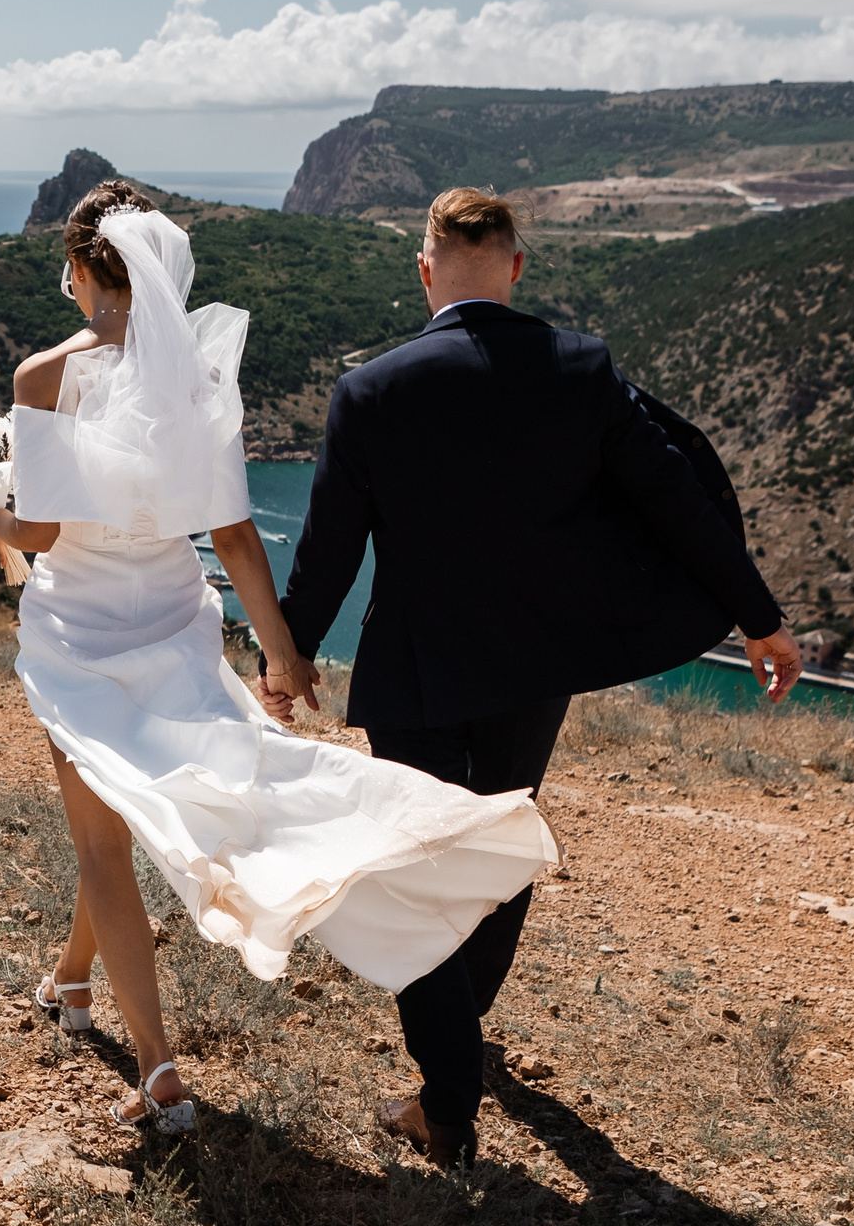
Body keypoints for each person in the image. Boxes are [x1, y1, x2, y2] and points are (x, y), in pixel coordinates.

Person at [0, 179, 559, 1134]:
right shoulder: (196, 379)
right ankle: (71, 978)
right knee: (134, 796)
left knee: (101, 838)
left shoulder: (45, 376)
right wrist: (283, 656)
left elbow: (40, 529)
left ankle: (157, 1068)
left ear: (82, 268)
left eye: (66, 270)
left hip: (79, 627)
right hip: (171, 621)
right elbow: (237, 538)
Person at [261, 186, 803, 1167]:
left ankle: (448, 1099)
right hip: (532, 669)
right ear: (514, 270)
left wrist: (287, 655)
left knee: (421, 877)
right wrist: (758, 619)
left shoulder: (370, 393)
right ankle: (454, 1059)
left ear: (424, 272)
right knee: (501, 865)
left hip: (415, 673)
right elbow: (679, 501)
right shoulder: (578, 369)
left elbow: (326, 555)